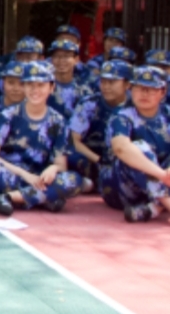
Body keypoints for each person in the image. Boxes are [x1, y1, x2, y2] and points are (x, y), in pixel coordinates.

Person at [0, 62, 83, 216]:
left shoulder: (58, 121)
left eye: (41, 85)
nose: (35, 90)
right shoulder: (9, 115)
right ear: (24, 87)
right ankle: (44, 198)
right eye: (30, 85)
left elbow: (61, 164)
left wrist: (53, 168)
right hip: (11, 174)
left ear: (51, 87)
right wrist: (24, 175)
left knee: (74, 180)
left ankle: (10, 197)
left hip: (39, 179)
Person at [106, 66, 170, 222]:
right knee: (138, 148)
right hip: (123, 188)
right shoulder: (121, 116)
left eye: (151, 89)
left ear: (163, 92)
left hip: (162, 182)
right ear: (131, 89)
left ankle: (152, 209)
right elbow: (121, 148)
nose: (144, 94)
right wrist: (162, 175)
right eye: (139, 88)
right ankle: (165, 203)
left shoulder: (167, 114)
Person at [69, 60, 131, 198]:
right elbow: (74, 140)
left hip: (123, 158)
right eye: (103, 81)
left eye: (112, 82)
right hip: (92, 158)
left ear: (127, 84)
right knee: (73, 158)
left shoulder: (135, 106)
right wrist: (99, 160)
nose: (106, 87)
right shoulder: (89, 103)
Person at [47, 39, 89, 118]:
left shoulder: (83, 90)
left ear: (76, 59)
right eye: (57, 56)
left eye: (66, 56)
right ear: (51, 59)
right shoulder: (44, 88)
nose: (61, 60)